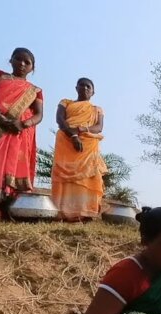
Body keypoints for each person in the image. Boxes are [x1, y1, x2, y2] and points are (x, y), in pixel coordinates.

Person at [0, 48, 44, 220]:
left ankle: (9, 208)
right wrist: (0, 118)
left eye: (27, 62)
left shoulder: (35, 90)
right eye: (18, 59)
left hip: (19, 132)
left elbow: (39, 115)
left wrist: (23, 124)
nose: (22, 64)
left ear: (32, 68)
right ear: (11, 60)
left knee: (13, 165)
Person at [51, 78, 107, 221]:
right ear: (76, 88)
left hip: (88, 143)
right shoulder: (65, 102)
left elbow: (99, 127)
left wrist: (82, 129)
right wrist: (74, 135)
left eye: (88, 86)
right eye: (81, 85)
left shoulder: (97, 109)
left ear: (93, 92)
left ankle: (85, 212)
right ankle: (62, 212)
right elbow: (60, 120)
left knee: (88, 176)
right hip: (66, 139)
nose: (85, 88)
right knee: (63, 176)